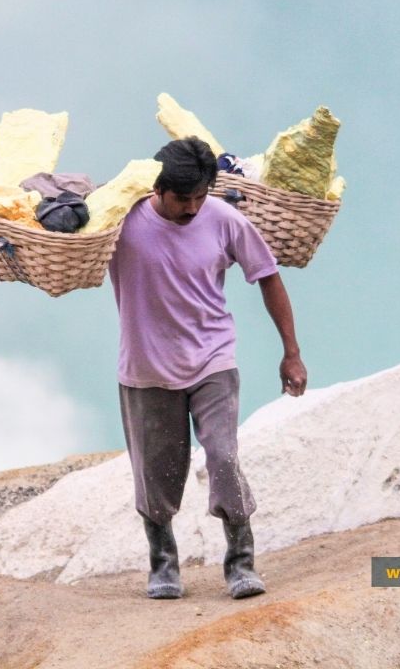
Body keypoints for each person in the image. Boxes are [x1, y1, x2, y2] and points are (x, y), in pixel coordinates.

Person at [107, 136, 308, 600]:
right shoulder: (122, 221)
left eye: (201, 196)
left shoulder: (224, 219)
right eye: (183, 198)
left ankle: (240, 562)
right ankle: (163, 565)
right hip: (146, 367)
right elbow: (70, 242)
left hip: (212, 359)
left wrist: (291, 352)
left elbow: (268, 276)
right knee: (156, 472)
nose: (194, 208)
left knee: (222, 454)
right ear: (158, 188)